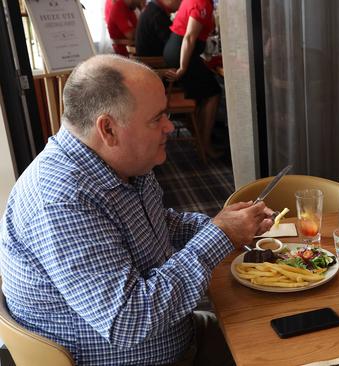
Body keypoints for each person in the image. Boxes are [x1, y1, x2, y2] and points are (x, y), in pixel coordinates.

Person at [0, 55, 273, 365]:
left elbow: (157, 223)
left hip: (179, 334)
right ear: (109, 129)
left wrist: (220, 224)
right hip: (133, 358)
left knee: (276, 330)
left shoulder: (124, 163)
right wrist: (219, 236)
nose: (170, 126)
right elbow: (130, 321)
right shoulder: (62, 201)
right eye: (157, 118)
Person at [163, 0, 222, 159]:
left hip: (178, 50)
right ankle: (205, 144)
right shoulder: (201, 3)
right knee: (214, 92)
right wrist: (182, 67)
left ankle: (201, 140)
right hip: (181, 53)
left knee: (207, 91)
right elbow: (189, 37)